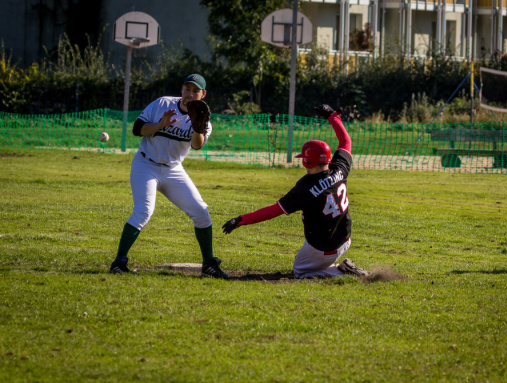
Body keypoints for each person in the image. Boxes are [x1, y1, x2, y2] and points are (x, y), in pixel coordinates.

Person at [222, 104, 368, 278]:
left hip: (323, 248)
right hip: (345, 239)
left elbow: (273, 210)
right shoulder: (340, 169)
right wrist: (332, 115)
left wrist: (241, 220)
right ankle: (340, 266)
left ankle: (341, 271)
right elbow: (346, 141)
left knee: (300, 271)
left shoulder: (305, 187)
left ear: (306, 162)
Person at [110, 74, 229, 279]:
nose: (190, 94)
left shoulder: (203, 118)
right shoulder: (162, 103)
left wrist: (197, 126)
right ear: (181, 89)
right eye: (187, 89)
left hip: (174, 169)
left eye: (195, 91)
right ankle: (119, 262)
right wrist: (161, 124)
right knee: (144, 210)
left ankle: (208, 264)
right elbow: (137, 129)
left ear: (203, 94)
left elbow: (197, 145)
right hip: (146, 165)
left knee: (201, 212)